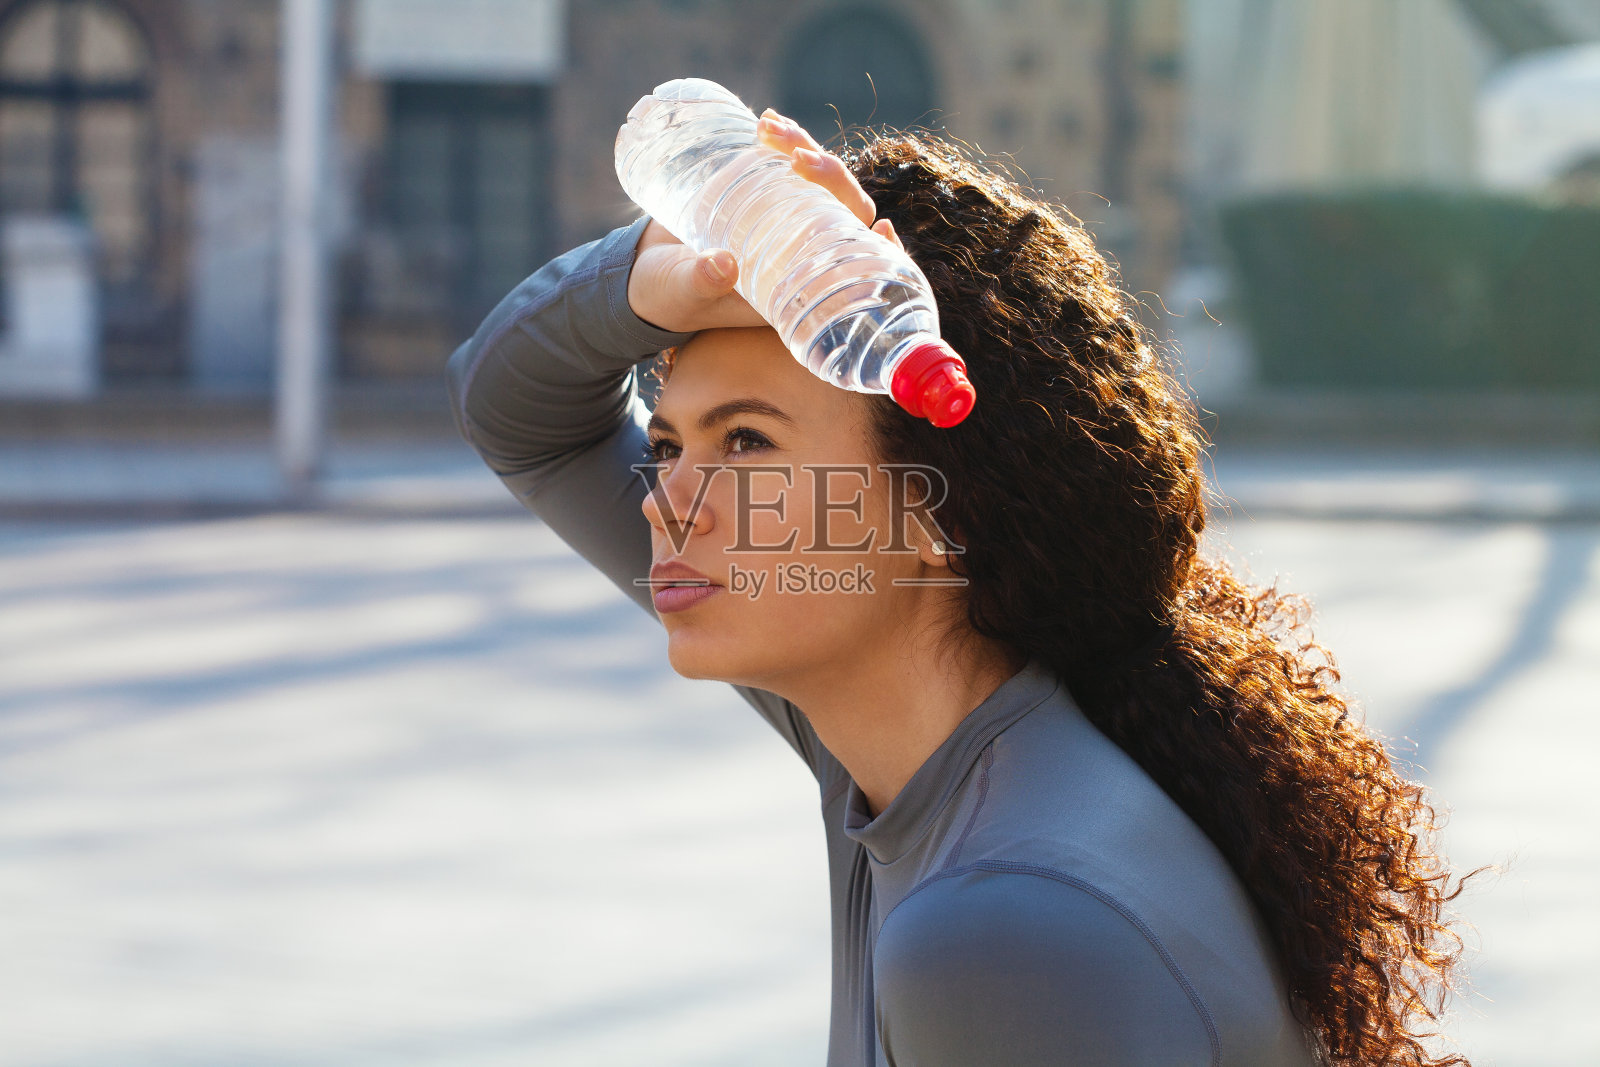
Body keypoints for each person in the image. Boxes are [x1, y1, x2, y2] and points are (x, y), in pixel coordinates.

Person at [447, 110, 1472, 1066]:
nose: (667, 502)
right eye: (667, 441)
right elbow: (518, 409)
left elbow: (520, 415)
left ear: (940, 513)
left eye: (745, 443)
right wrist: (673, 273)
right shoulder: (907, 745)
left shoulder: (1000, 921)